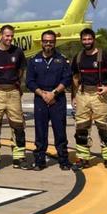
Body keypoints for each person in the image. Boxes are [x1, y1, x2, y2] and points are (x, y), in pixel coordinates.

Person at [70, 28, 107, 171]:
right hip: (83, 95)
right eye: (84, 39)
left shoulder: (103, 55)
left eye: (89, 39)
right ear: (81, 40)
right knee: (81, 128)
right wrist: (74, 96)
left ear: (94, 40)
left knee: (105, 128)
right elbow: (74, 78)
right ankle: (82, 158)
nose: (87, 42)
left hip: (99, 95)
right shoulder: (78, 57)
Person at [26, 30, 72, 171]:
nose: (48, 44)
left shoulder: (62, 59)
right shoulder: (34, 60)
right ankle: (40, 160)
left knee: (60, 131)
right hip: (40, 99)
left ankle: (63, 160)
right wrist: (42, 94)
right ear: (41, 42)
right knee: (40, 132)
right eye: (45, 41)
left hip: (57, 98)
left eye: (51, 41)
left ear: (54, 43)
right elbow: (30, 81)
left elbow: (67, 78)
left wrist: (54, 93)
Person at [0, 25, 30, 169]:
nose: (9, 39)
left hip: (13, 92)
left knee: (18, 124)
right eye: (7, 36)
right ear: (1, 36)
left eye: (11, 36)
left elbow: (21, 70)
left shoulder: (17, 52)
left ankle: (19, 157)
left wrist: (17, 86)